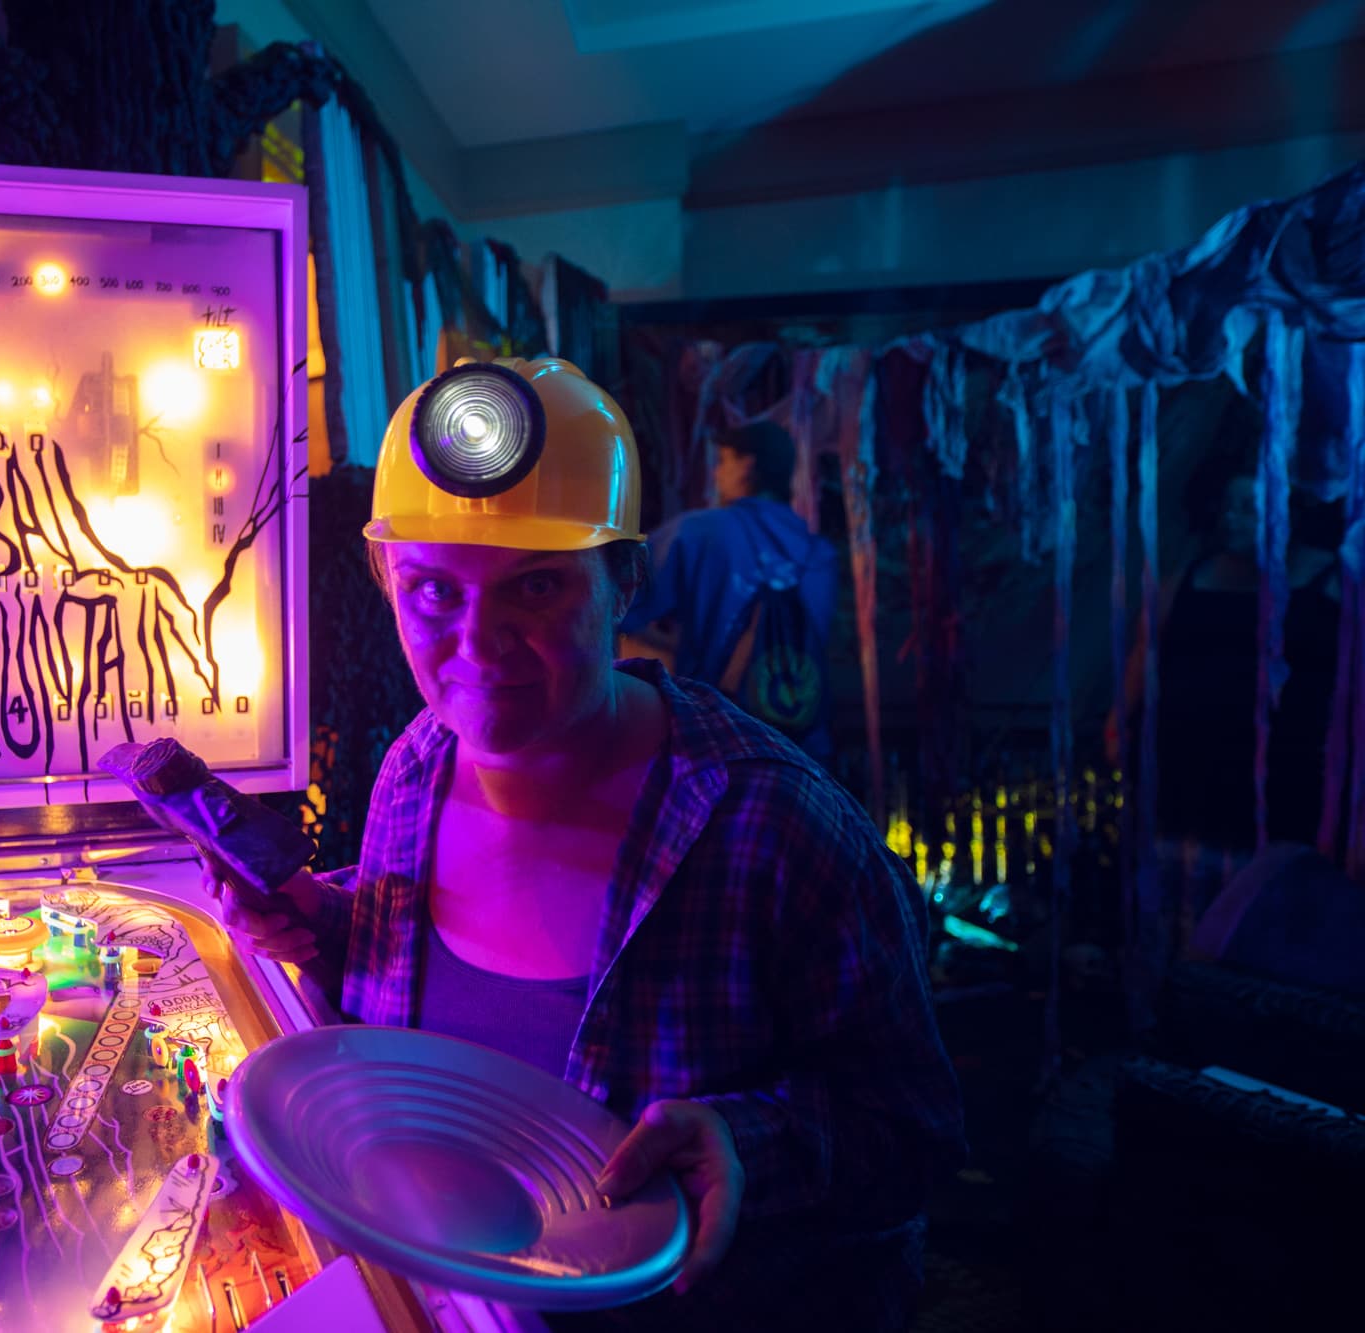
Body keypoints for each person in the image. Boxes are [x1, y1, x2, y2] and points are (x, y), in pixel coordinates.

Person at [208, 358, 964, 1330]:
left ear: (625, 584)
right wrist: (332, 920)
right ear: (382, 583)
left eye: (535, 588)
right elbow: (441, 1002)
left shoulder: (774, 827)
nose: (477, 647)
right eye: (432, 592)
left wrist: (747, 1144)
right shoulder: (414, 767)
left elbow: (915, 1132)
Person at [1109, 452, 1341, 1025]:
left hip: (1280, 801)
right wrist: (1117, 730)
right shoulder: (1179, 584)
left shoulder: (1332, 583)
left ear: (1283, 508)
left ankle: (1258, 1037)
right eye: (1230, 505)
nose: (1236, 518)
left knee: (1262, 926)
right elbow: (1140, 668)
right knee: (1175, 920)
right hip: (1183, 792)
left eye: (1251, 505)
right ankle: (1170, 1032)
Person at [619, 419, 841, 760]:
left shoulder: (698, 534)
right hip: (805, 756)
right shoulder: (821, 554)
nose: (716, 474)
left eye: (723, 461)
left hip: (718, 751)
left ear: (747, 466)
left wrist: (675, 652)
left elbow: (612, 606)